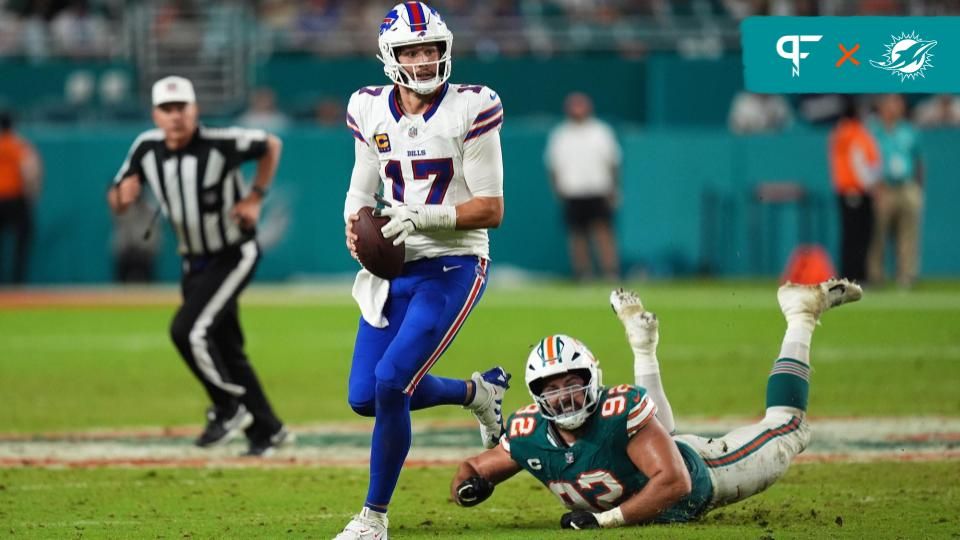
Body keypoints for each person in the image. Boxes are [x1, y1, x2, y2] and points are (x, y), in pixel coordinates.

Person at [451, 278, 863, 529]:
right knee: (658, 432)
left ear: (592, 380)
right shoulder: (527, 434)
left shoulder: (618, 411)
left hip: (709, 471)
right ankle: (644, 350)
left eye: (572, 385)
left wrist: (605, 520)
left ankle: (801, 316)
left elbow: (675, 482)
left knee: (789, 425)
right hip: (656, 458)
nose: (565, 398)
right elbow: (472, 468)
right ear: (537, 395)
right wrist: (469, 486)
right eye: (552, 390)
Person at [338, 3, 509, 538]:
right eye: (412, 50)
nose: (424, 59)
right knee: (365, 397)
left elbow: (492, 208)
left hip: (454, 263)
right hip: (397, 263)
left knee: (392, 383)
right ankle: (476, 394)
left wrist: (423, 215)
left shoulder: (472, 107)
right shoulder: (369, 108)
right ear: (391, 56)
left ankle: (374, 518)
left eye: (430, 48)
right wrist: (353, 223)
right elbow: (362, 184)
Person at [107, 76, 291, 457]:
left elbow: (271, 144)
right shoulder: (146, 146)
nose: (175, 116)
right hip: (193, 260)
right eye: (167, 109)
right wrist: (121, 198)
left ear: (195, 111)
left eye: (181, 108)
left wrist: (255, 197)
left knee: (187, 330)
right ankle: (268, 429)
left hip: (233, 253)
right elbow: (120, 188)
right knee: (227, 349)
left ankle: (228, 405)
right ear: (156, 114)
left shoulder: (221, 142)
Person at [545, 92, 622, 282]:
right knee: (577, 235)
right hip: (573, 191)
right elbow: (553, 165)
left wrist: (614, 188)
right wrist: (557, 189)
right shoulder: (560, 134)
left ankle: (610, 272)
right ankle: (583, 273)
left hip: (598, 189)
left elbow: (613, 163)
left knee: (603, 232)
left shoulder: (601, 132)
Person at [868, 94, 924, 288]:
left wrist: (917, 187)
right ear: (881, 106)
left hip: (906, 186)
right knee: (877, 235)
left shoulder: (909, 131)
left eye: (898, 103)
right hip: (883, 188)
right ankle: (876, 276)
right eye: (891, 103)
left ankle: (906, 276)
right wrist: (873, 187)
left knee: (908, 235)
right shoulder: (872, 131)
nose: (895, 107)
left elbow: (919, 161)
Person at [828, 97, 880, 283]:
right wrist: (872, 187)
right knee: (860, 237)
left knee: (849, 237)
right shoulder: (855, 133)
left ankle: (849, 275)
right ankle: (858, 276)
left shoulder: (839, 132)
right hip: (857, 191)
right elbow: (860, 165)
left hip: (844, 190)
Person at [0, 111, 42, 284]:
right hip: (16, 199)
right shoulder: (19, 145)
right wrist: (32, 195)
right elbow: (30, 171)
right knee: (22, 242)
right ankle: (17, 282)